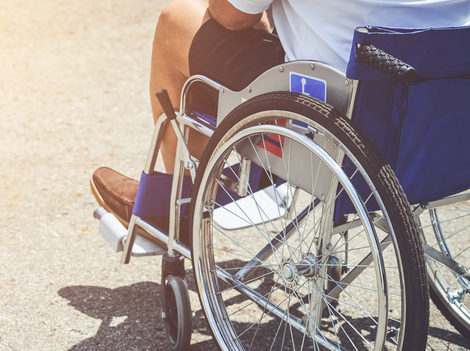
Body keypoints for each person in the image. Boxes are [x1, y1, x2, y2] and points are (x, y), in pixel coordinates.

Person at [91, 0, 470, 227]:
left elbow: (229, 15)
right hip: (441, 139)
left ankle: (177, 203)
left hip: (339, 126)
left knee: (177, 20)